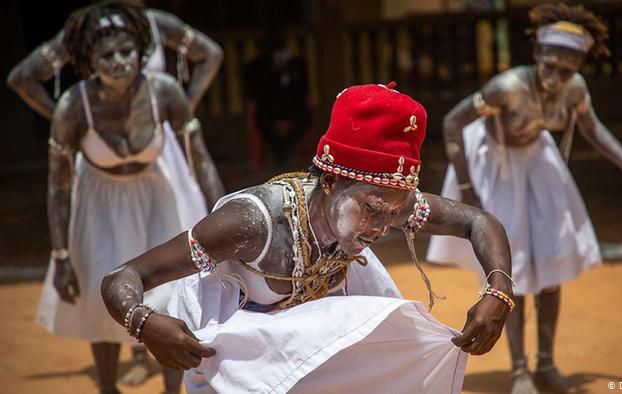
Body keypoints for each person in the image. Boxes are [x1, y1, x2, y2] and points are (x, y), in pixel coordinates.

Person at [102, 82, 515, 393]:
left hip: (316, 356)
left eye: (393, 215)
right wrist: (144, 323)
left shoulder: (389, 201)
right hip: (229, 364)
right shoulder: (251, 225)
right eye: (371, 210)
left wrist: (498, 293)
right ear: (332, 181)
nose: (380, 227)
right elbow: (122, 277)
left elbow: (480, 222)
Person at [426, 3, 622, 394]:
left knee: (552, 262)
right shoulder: (505, 87)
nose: (557, 77)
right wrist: (469, 189)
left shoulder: (575, 89)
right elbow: (453, 122)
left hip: (538, 162)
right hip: (497, 164)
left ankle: (545, 363)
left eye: (567, 69)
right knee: (517, 268)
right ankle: (520, 371)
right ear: (538, 55)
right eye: (552, 66)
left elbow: (593, 128)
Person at [37, 2, 225, 393]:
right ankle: (108, 387)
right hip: (98, 202)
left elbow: (202, 160)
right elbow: (58, 185)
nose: (119, 62)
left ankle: (173, 390)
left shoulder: (165, 93)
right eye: (107, 56)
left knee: (169, 294)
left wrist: (221, 218)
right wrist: (61, 255)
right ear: (89, 60)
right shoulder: (74, 106)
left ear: (141, 53)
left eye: (127, 53)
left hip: (157, 197)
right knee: (100, 293)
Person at [7, 0, 223, 120]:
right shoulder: (85, 29)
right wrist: (63, 120)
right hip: (102, 147)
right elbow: (22, 78)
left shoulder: (157, 23)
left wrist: (187, 105)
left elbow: (211, 53)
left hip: (160, 142)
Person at [243, 26, 311, 167]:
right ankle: (279, 156)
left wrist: (289, 71)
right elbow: (255, 94)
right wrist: (273, 72)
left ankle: (288, 153)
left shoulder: (297, 64)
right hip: (268, 111)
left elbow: (303, 91)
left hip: (293, 110)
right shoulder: (256, 67)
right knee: (262, 121)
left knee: (305, 117)